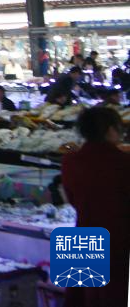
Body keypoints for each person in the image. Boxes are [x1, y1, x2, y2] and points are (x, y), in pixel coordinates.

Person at [60, 107, 129, 307]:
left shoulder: (70, 161)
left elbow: (72, 199)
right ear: (110, 130)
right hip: (118, 240)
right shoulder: (123, 163)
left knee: (80, 298)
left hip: (82, 235)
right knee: (112, 297)